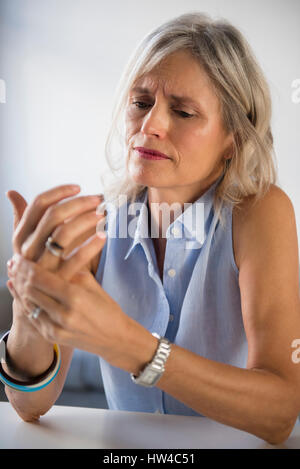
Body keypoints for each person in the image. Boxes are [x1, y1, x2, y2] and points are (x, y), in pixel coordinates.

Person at [2, 12, 300, 445]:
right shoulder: (96, 224)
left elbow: (280, 413)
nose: (150, 126)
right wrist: (28, 306)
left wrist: (133, 347)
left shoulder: (259, 212)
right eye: (141, 103)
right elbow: (30, 405)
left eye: (182, 111)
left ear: (234, 137)